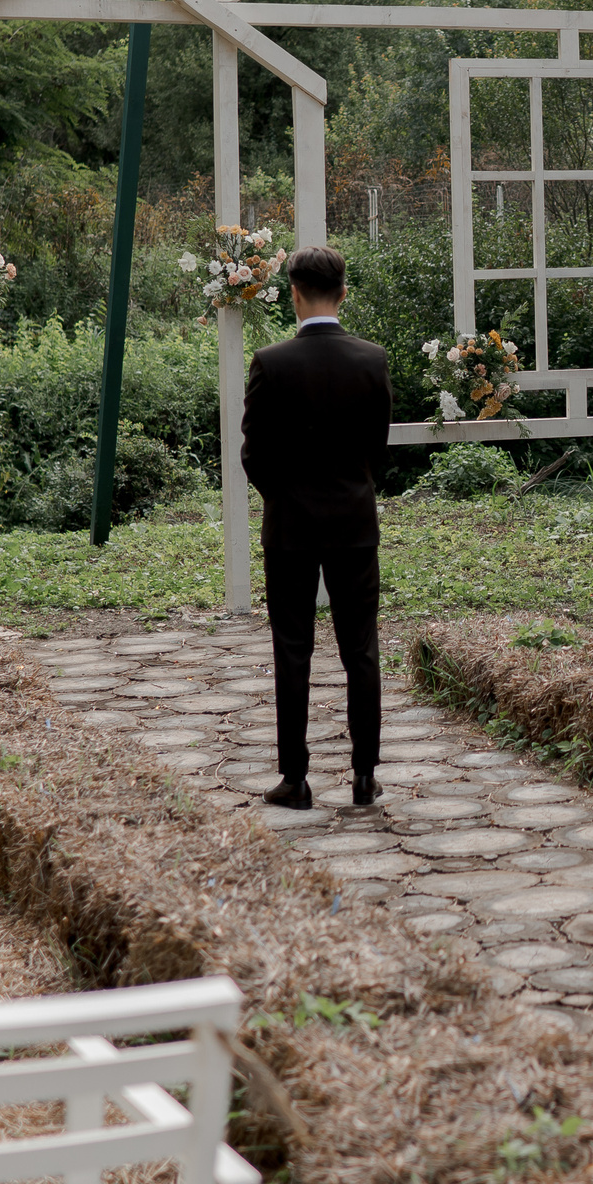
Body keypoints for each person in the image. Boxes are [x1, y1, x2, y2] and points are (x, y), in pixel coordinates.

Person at [239, 245, 390, 811]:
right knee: (361, 649)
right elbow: (378, 447)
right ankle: (364, 775)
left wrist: (284, 498)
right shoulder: (371, 359)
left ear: (295, 294)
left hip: (291, 527)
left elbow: (255, 452)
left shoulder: (270, 362)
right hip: (354, 521)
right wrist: (353, 489)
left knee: (292, 648)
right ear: (343, 293)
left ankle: (296, 779)